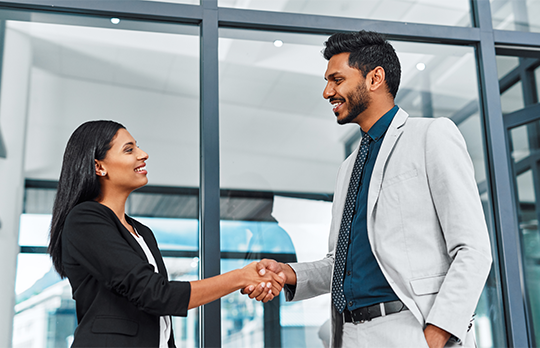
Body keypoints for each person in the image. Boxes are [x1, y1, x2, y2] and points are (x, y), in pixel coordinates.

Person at [244, 31, 492, 348]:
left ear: (375, 78)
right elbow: (340, 264)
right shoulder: (348, 167)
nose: (326, 92)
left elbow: (473, 249)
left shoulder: (431, 136)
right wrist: (288, 273)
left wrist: (437, 333)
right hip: (349, 334)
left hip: (411, 328)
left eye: (337, 79)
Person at [48, 120, 284, 347]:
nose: (143, 154)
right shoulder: (85, 219)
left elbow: (158, 313)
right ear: (99, 166)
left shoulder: (142, 233)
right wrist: (241, 277)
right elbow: (156, 295)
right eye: (129, 150)